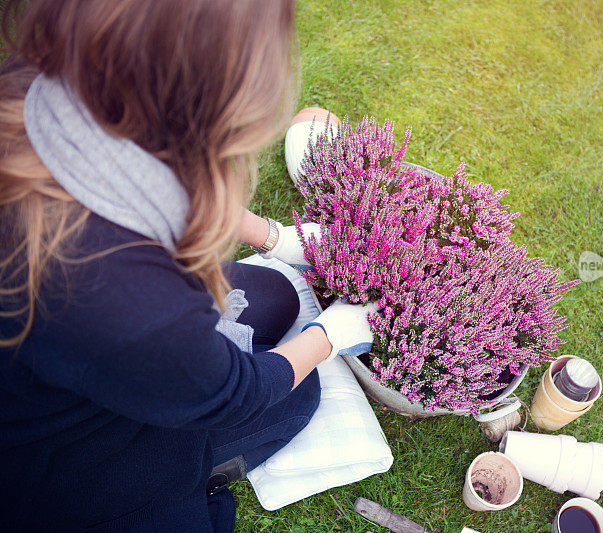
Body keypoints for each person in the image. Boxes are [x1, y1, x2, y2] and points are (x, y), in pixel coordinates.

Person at [0, 0, 374, 530]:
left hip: (57, 362)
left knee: (278, 299)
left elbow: (165, 166)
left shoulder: (42, 84)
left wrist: (276, 238)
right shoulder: (134, 301)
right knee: (302, 392)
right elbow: (236, 394)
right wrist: (331, 336)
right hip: (62, 454)